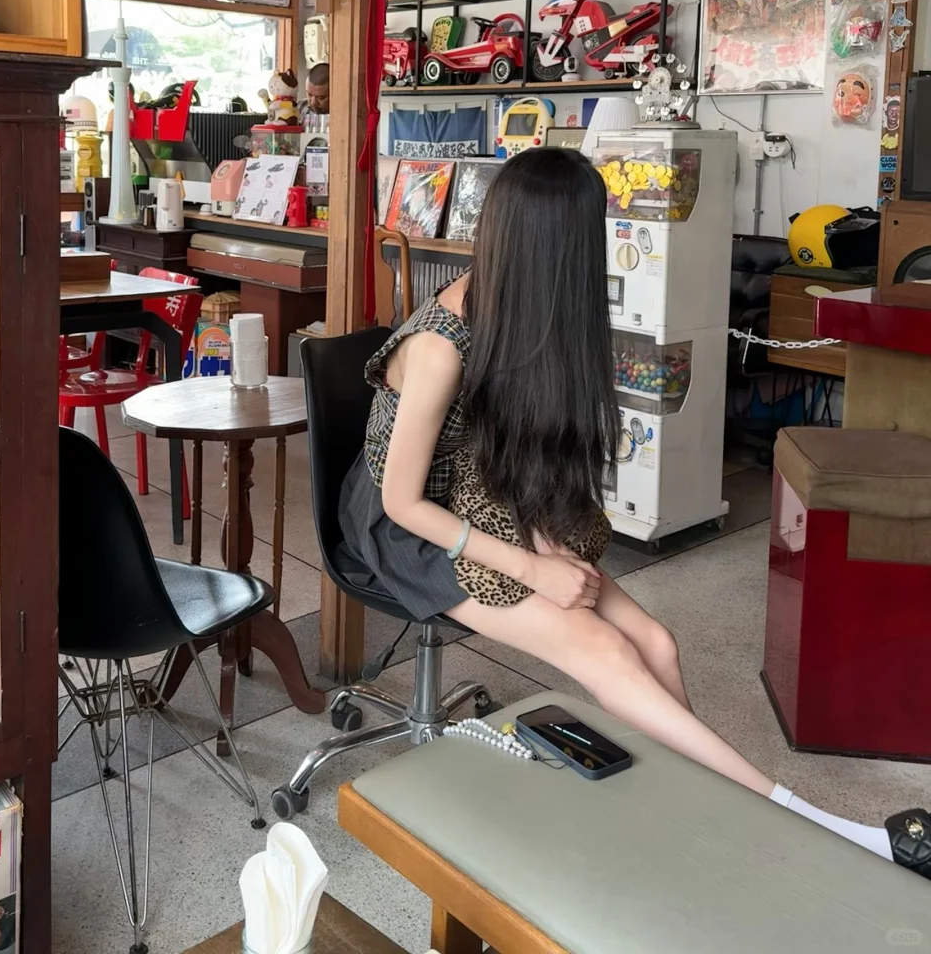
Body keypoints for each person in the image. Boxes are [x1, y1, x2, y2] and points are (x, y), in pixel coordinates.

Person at [338, 146, 931, 878]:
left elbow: (510, 452)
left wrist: (544, 538)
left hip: (485, 498)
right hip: (407, 526)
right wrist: (532, 566)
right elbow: (400, 501)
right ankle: (805, 829)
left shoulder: (521, 310)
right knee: (607, 651)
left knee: (657, 642)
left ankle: (685, 809)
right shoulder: (441, 347)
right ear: (559, 248)